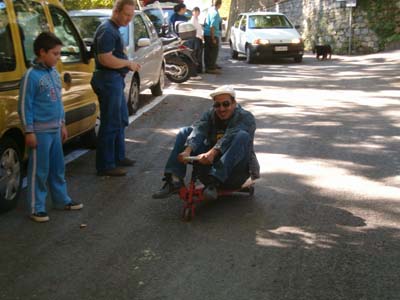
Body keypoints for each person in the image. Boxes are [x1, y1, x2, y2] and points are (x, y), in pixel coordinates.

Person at [18, 32, 83, 223]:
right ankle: (36, 207)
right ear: (42, 52)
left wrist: (62, 124)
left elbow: (59, 102)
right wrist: (29, 131)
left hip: (55, 130)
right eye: (54, 54)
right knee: (39, 170)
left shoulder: (54, 73)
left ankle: (62, 200)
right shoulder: (31, 76)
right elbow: (25, 105)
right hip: (39, 132)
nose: (57, 57)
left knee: (57, 167)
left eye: (58, 53)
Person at [152, 85, 260, 200]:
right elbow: (199, 129)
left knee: (242, 136)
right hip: (208, 172)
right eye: (217, 105)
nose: (221, 109)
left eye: (226, 104)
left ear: (234, 103)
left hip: (235, 174)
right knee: (185, 131)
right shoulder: (211, 114)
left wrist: (212, 153)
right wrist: (187, 151)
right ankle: (174, 180)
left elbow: (229, 136)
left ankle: (215, 181)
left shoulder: (246, 117)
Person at [91, 0, 141, 177]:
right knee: (110, 122)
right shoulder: (107, 30)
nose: (129, 19)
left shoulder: (112, 29)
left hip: (113, 79)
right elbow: (105, 59)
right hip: (107, 79)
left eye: (131, 16)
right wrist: (128, 63)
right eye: (126, 15)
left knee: (120, 119)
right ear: (116, 11)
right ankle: (105, 165)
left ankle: (118, 157)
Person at [203, 0, 222, 74]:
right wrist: (213, 38)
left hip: (207, 33)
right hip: (212, 34)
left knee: (208, 51)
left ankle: (210, 65)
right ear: (219, 4)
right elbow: (212, 26)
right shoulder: (215, 13)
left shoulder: (210, 10)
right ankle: (210, 68)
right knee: (213, 52)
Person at [190, 7, 204, 74]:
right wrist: (200, 37)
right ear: (193, 12)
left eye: (198, 11)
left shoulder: (197, 19)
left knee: (199, 54)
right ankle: (197, 70)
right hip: (196, 39)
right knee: (197, 55)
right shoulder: (193, 20)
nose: (197, 13)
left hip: (199, 38)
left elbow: (199, 30)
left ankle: (199, 69)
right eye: (195, 11)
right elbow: (194, 31)